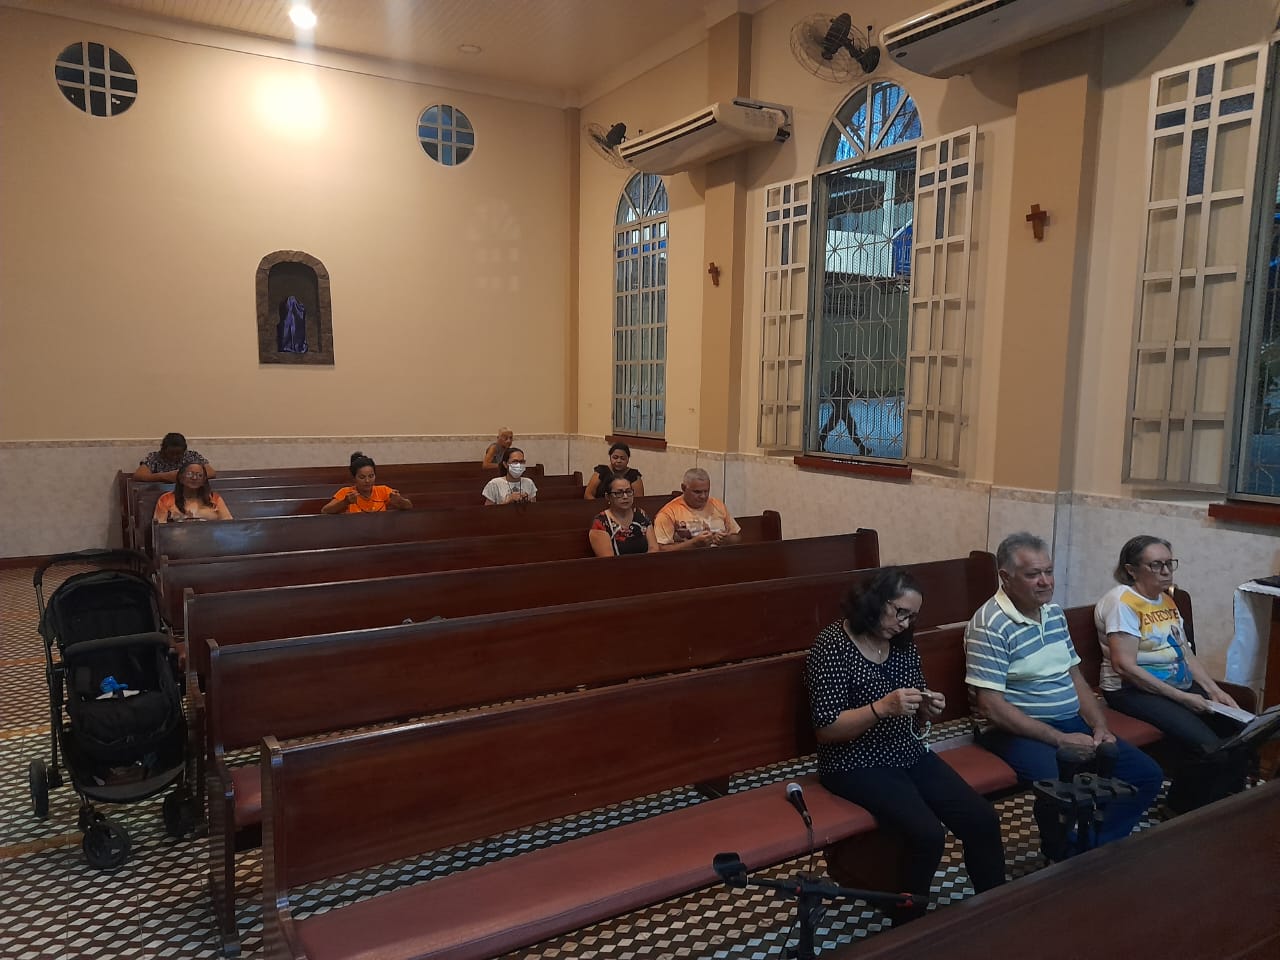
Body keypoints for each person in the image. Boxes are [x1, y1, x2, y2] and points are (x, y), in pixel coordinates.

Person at [806, 568, 1006, 921]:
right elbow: (827, 728)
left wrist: (926, 708)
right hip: (854, 762)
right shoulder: (832, 645)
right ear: (873, 601)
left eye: (912, 617)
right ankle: (909, 926)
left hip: (906, 751)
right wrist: (881, 708)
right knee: (926, 835)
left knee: (982, 819)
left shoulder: (901, 643)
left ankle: (996, 911)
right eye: (900, 612)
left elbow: (912, 703)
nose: (904, 624)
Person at [964, 532, 1163, 858]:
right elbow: (991, 706)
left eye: (1048, 571)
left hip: (1068, 721)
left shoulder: (1053, 613)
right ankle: (1062, 852)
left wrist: (1099, 726)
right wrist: (1060, 739)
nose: (1045, 582)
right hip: (1012, 730)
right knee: (1059, 786)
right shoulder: (990, 624)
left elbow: (1074, 676)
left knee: (1145, 775)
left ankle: (1090, 851)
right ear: (1005, 577)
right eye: (1033, 574)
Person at [1095, 535, 1250, 814]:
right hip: (1131, 690)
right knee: (1207, 746)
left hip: (1175, 683)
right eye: (1156, 565)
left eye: (1169, 563)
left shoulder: (1166, 600)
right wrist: (1183, 698)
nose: (1166, 571)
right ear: (1131, 570)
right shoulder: (1122, 603)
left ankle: (1222, 805)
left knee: (1241, 732)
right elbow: (1125, 667)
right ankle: (1180, 810)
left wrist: (1214, 690)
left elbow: (1186, 653)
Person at [653, 468, 741, 551]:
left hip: (721, 557)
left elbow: (737, 537)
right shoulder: (668, 513)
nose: (703, 496)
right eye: (697, 492)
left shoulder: (718, 505)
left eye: (706, 491)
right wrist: (693, 544)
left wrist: (726, 540)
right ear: (683, 488)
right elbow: (661, 549)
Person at [321, 452, 412, 514]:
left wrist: (400, 501)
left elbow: (409, 506)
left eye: (371, 476)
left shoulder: (383, 490)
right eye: (362, 477)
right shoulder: (346, 492)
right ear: (354, 478)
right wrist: (345, 502)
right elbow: (325, 511)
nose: (367, 481)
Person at [589, 476, 658, 556]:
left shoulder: (640, 514)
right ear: (608, 497)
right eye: (619, 493)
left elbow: (654, 548)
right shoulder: (601, 522)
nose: (625, 496)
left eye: (628, 491)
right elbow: (608, 559)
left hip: (646, 562)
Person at [153, 462, 232, 522]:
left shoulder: (215, 498)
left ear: (204, 480)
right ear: (181, 478)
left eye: (199, 475)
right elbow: (159, 527)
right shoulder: (166, 499)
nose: (194, 478)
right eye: (189, 474)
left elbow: (228, 523)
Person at [134, 432, 216, 482]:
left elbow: (211, 472)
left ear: (184, 451)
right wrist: (164, 476)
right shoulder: (154, 457)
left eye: (178, 453)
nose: (174, 456)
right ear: (163, 450)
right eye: (171, 453)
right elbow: (138, 475)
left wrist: (187, 476)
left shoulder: (191, 456)